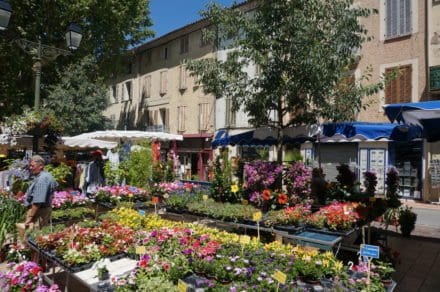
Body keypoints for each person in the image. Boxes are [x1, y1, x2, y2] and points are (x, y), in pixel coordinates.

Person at [24, 155, 58, 229]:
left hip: (39, 212)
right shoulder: (47, 175)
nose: (30, 168)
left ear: (41, 166)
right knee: (39, 235)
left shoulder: (42, 179)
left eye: (32, 166)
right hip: (43, 210)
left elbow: (38, 201)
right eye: (30, 166)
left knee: (33, 237)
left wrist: (30, 217)